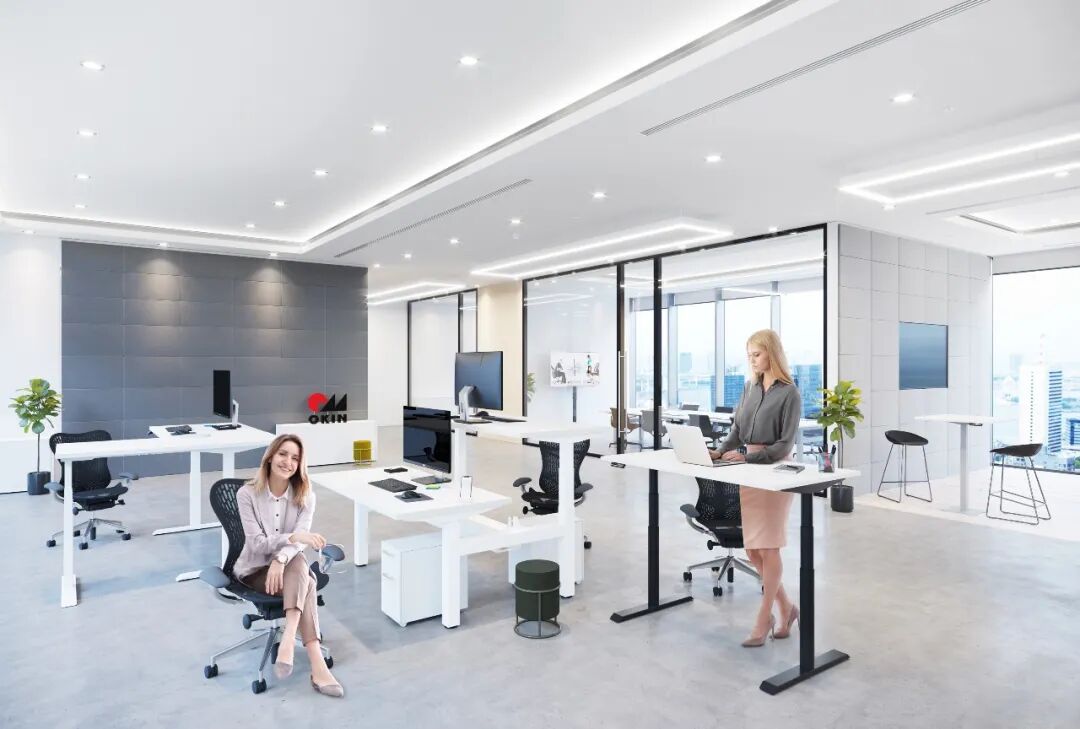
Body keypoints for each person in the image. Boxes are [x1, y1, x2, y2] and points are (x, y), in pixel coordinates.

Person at [232, 433, 344, 697]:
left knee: (298, 563)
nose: (288, 462)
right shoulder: (247, 494)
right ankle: (317, 665)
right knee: (308, 580)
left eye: (295, 458)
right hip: (254, 570)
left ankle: (291, 636)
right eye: (283, 454)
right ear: (270, 456)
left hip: (289, 566)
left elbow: (298, 545)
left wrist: (281, 559)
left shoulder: (306, 496)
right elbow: (258, 544)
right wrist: (293, 538)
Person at [711, 329, 803, 648]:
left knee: (769, 547)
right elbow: (738, 429)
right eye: (749, 355)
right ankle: (787, 608)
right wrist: (720, 451)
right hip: (749, 471)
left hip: (774, 471)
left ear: (772, 354)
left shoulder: (790, 393)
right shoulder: (749, 387)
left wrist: (749, 456)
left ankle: (764, 618)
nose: (751, 360)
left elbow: (784, 444)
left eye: (757, 354)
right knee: (752, 550)